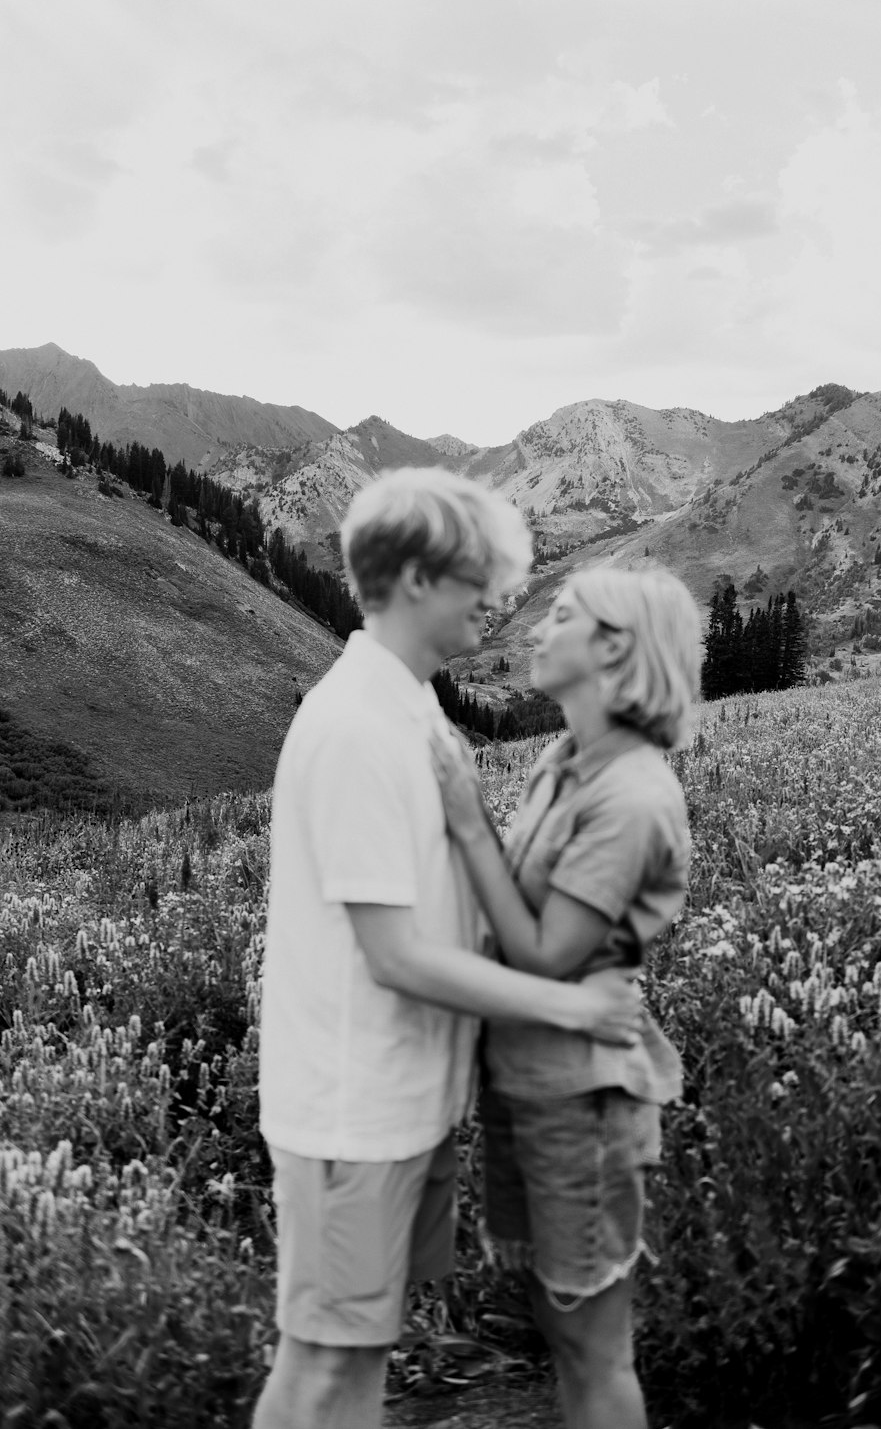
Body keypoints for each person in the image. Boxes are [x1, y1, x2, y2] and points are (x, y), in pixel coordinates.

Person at [252, 470, 645, 1429]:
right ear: (422, 579)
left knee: (359, 1355)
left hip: (406, 1098)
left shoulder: (414, 711)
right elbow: (393, 956)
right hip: (355, 1110)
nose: (500, 597)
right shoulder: (357, 728)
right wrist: (570, 1008)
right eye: (482, 576)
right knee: (326, 1368)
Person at [430, 566, 702, 1429]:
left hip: (583, 1096)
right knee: (559, 1317)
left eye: (562, 617)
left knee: (593, 1342)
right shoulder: (568, 760)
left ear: (613, 648)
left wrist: (467, 817)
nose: (536, 631)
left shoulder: (633, 796)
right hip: (529, 1076)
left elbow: (546, 956)